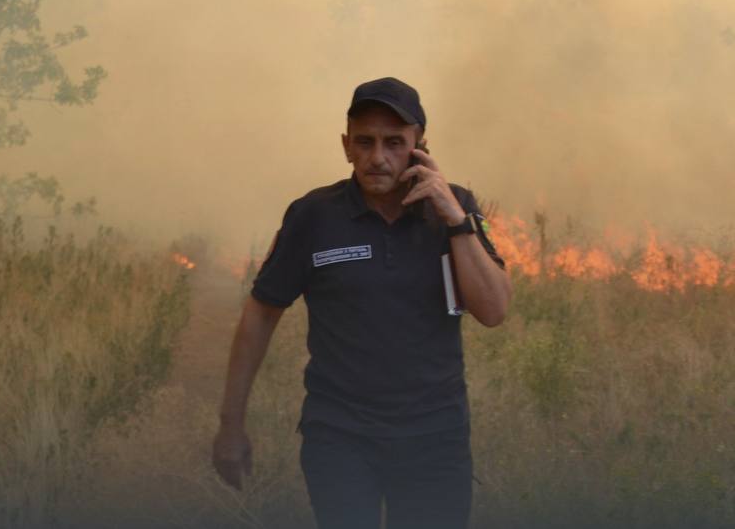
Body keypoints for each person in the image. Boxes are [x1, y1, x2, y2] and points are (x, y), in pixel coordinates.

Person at [211, 76, 512, 528]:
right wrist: (230, 425)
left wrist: (455, 220)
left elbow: (493, 311)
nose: (378, 157)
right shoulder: (313, 215)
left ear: (420, 147)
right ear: (346, 145)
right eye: (364, 142)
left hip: (436, 437)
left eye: (394, 142)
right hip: (340, 437)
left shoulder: (456, 207)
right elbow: (261, 313)